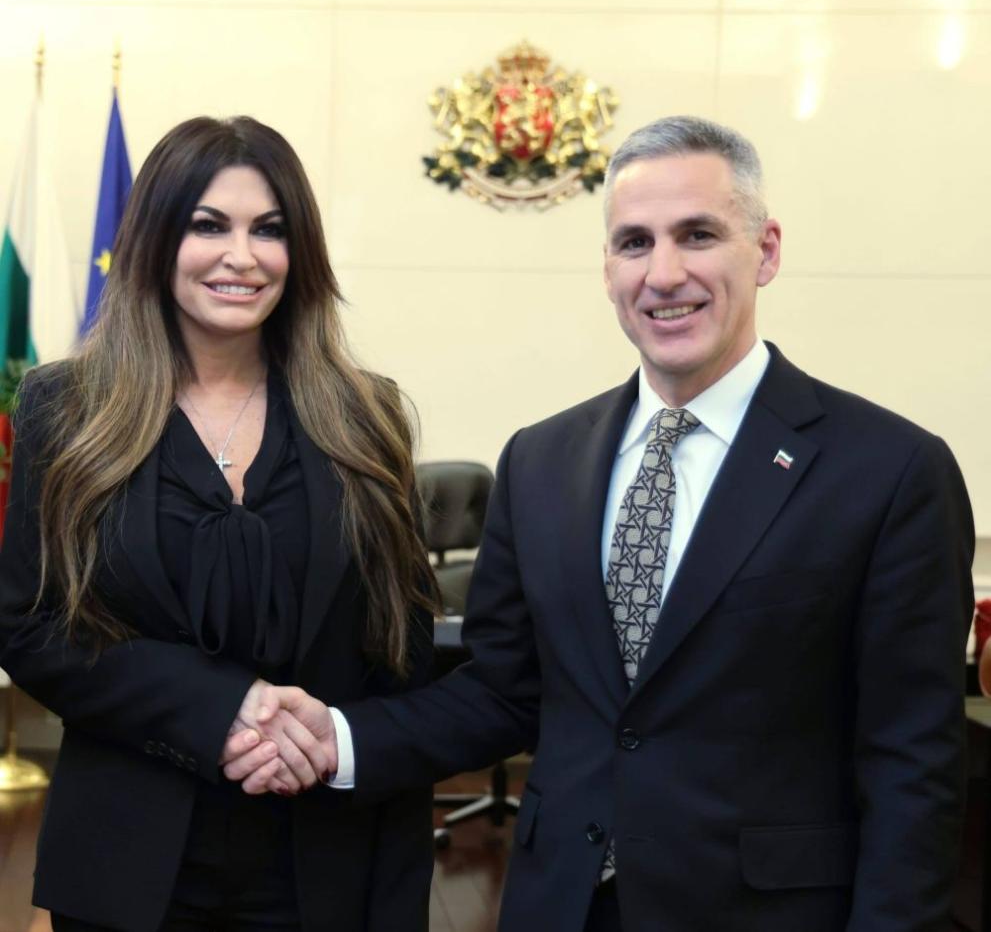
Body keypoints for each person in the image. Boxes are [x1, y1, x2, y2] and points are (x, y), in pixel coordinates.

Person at [224, 116, 976, 931]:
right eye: (633, 242)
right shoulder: (541, 461)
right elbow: (501, 691)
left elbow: (912, 760)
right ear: (608, 267)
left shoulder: (889, 471)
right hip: (560, 903)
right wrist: (337, 737)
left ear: (764, 251)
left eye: (697, 235)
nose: (663, 273)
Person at [0, 116, 439, 931]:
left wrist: (331, 741)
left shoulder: (367, 414)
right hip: (125, 867)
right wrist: (220, 706)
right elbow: (29, 626)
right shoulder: (66, 408)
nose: (242, 256)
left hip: (327, 861)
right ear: (156, 239)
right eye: (209, 225)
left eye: (268, 229)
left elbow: (401, 651)